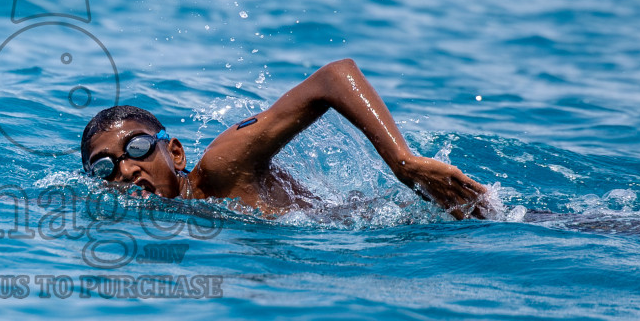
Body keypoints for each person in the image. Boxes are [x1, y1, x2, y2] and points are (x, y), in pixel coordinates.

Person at [79, 58, 493, 219]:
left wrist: (403, 161)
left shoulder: (222, 168)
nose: (125, 169)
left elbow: (334, 77)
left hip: (428, 220)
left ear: (175, 152)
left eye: (137, 148)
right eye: (104, 167)